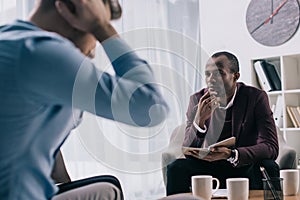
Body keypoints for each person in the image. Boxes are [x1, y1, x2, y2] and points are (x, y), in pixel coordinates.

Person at [0, 0, 169, 199]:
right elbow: (150, 107)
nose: (94, 51)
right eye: (93, 31)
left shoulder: (11, 40)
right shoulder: (38, 52)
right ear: (73, 9)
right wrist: (103, 29)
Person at [166, 51, 279, 195]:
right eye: (208, 74)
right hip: (208, 167)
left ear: (235, 76)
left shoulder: (255, 98)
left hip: (242, 165)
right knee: (176, 168)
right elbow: (188, 151)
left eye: (219, 73)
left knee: (269, 165)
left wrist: (232, 154)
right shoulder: (197, 100)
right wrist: (199, 120)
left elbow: (270, 147)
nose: (211, 79)